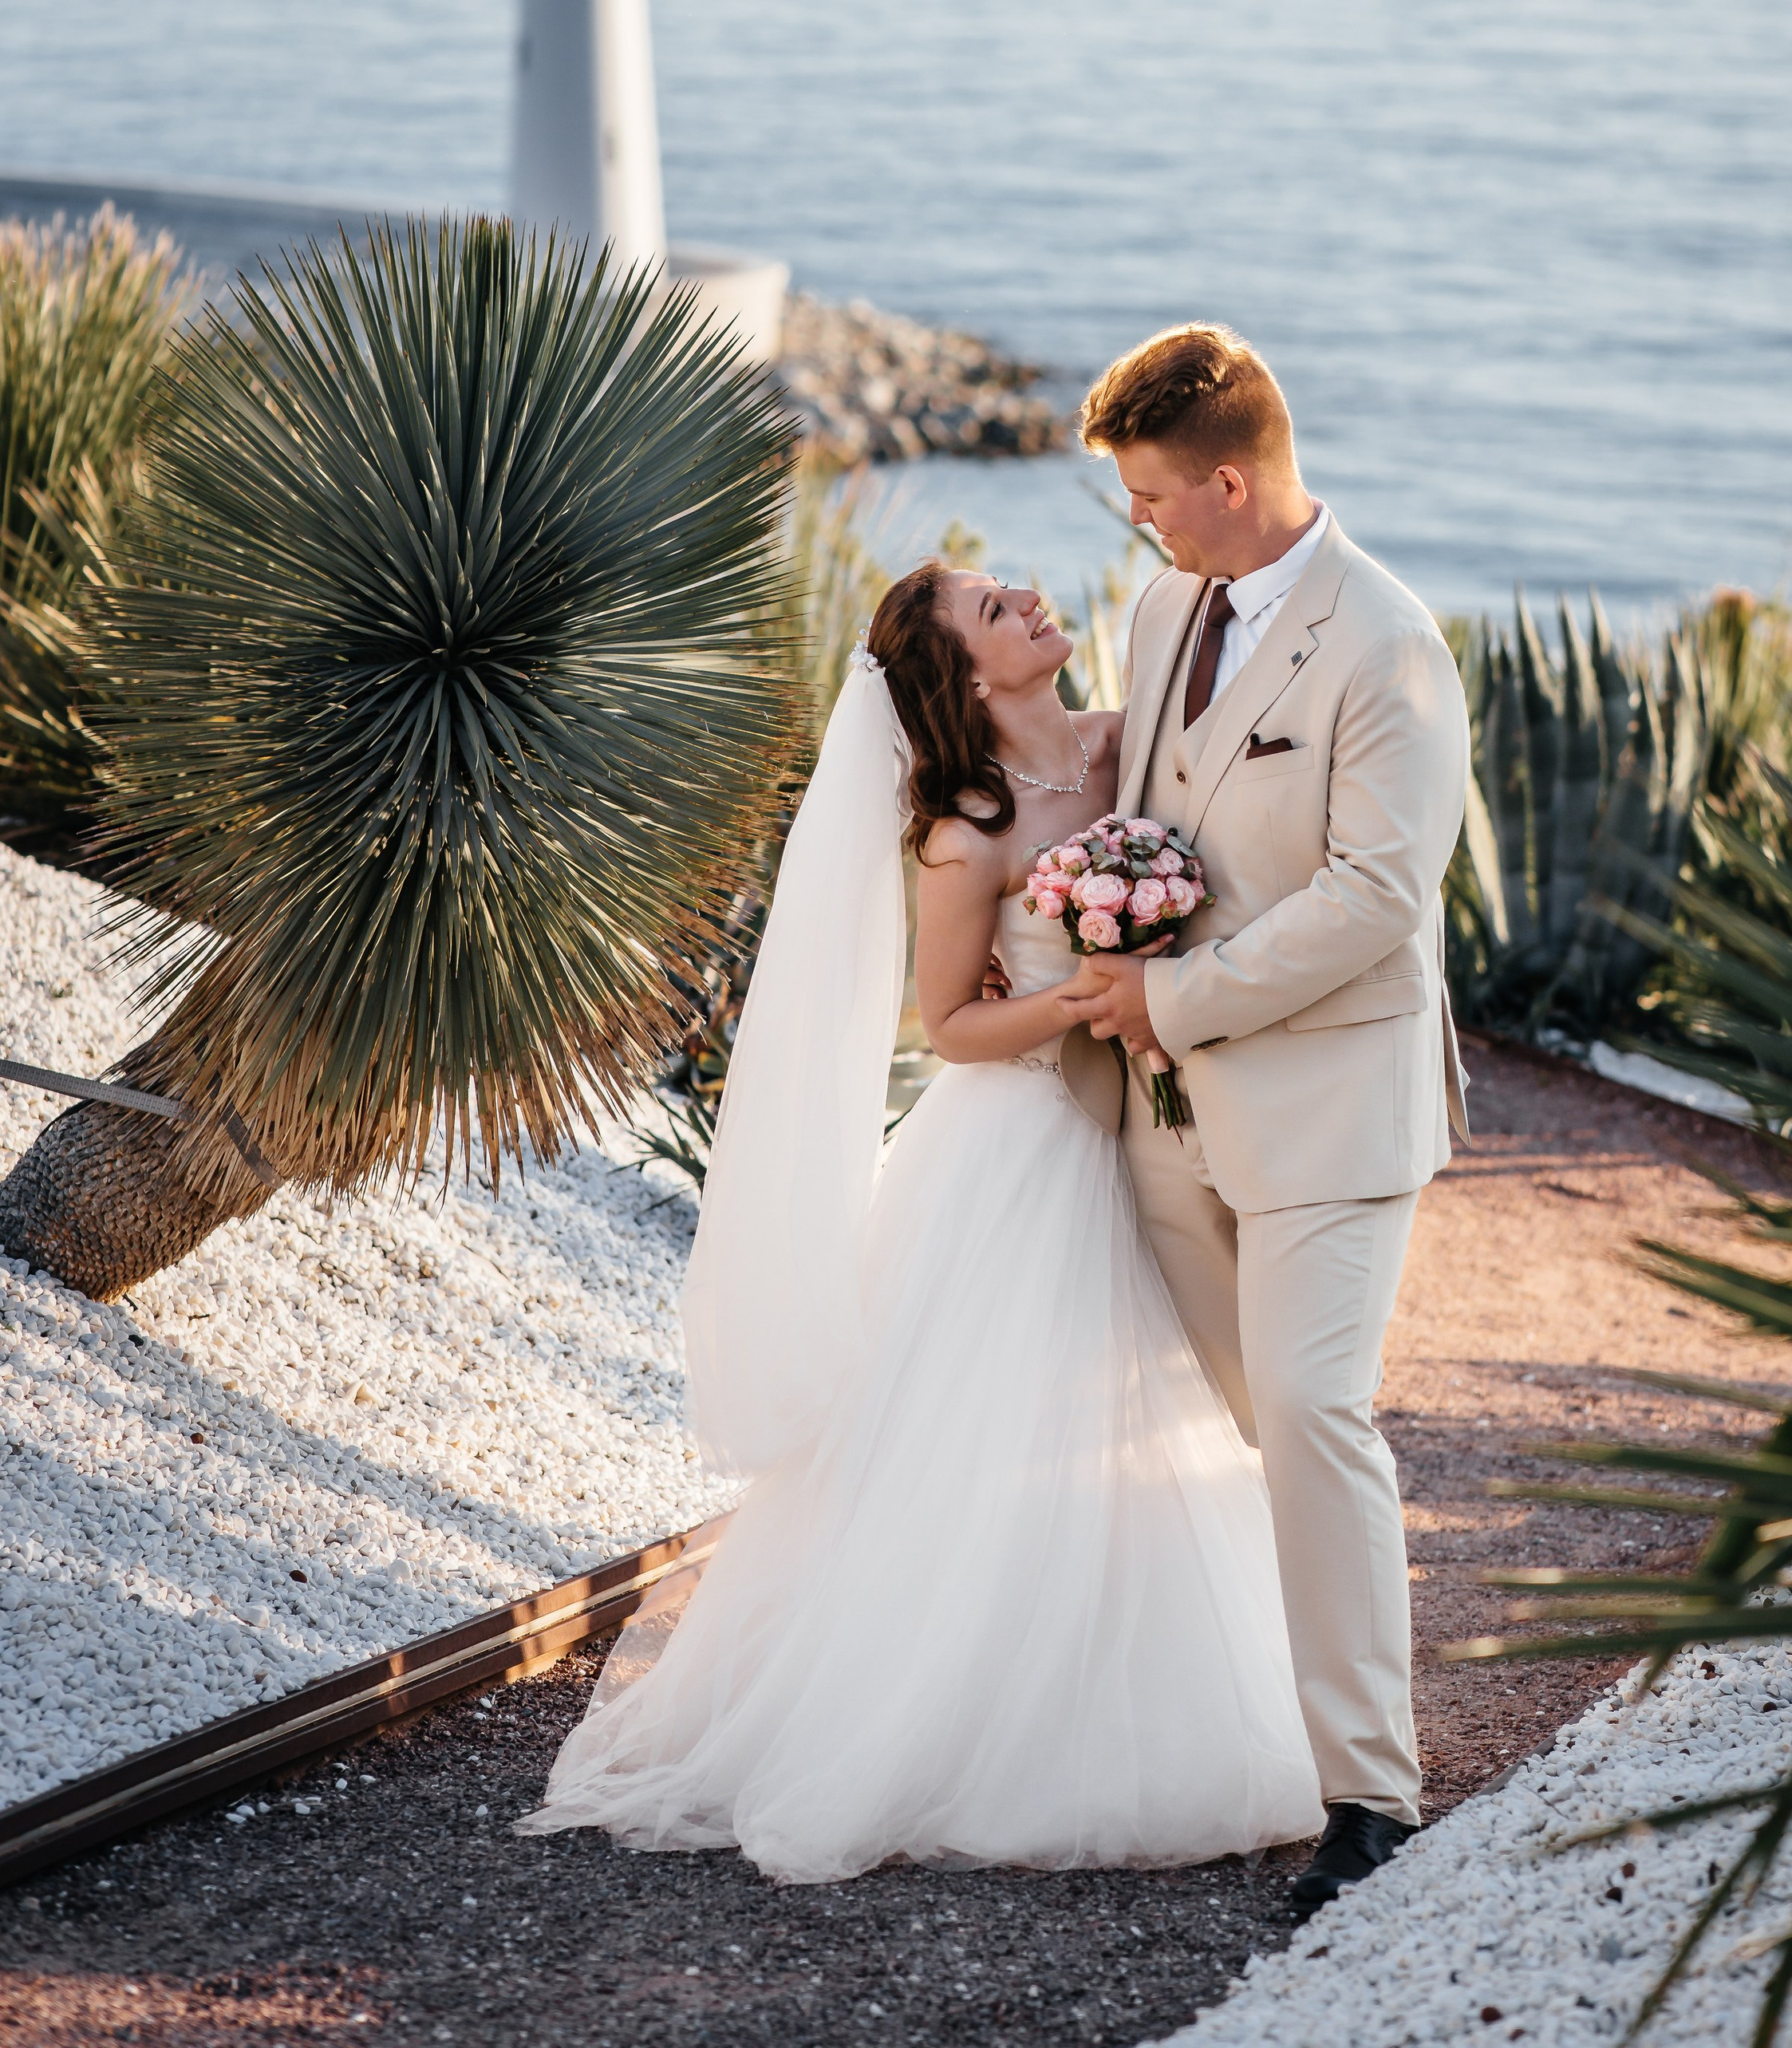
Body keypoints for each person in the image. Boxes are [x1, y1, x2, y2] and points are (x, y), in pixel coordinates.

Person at [520, 556, 1323, 1884]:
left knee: (1155, 1411)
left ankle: (1146, 1695)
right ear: (960, 678)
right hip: (1023, 1145)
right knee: (1001, 1424)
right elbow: (950, 1024)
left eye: (1012, 587)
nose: (1027, 602)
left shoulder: (1132, 747)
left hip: (1153, 1130)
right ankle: (973, 1727)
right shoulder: (967, 827)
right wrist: (1079, 1002)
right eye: (994, 612)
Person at [1057, 322, 1470, 1916]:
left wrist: (1167, 998)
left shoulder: (1387, 646)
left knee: (1310, 1419)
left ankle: (1369, 1799)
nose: (1139, 529)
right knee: (1231, 1437)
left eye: (1154, 498)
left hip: (1325, 1105)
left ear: (1229, 481)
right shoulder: (1167, 604)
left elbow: (1379, 897)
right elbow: (1141, 809)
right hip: (1167, 1120)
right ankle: (1224, 1719)